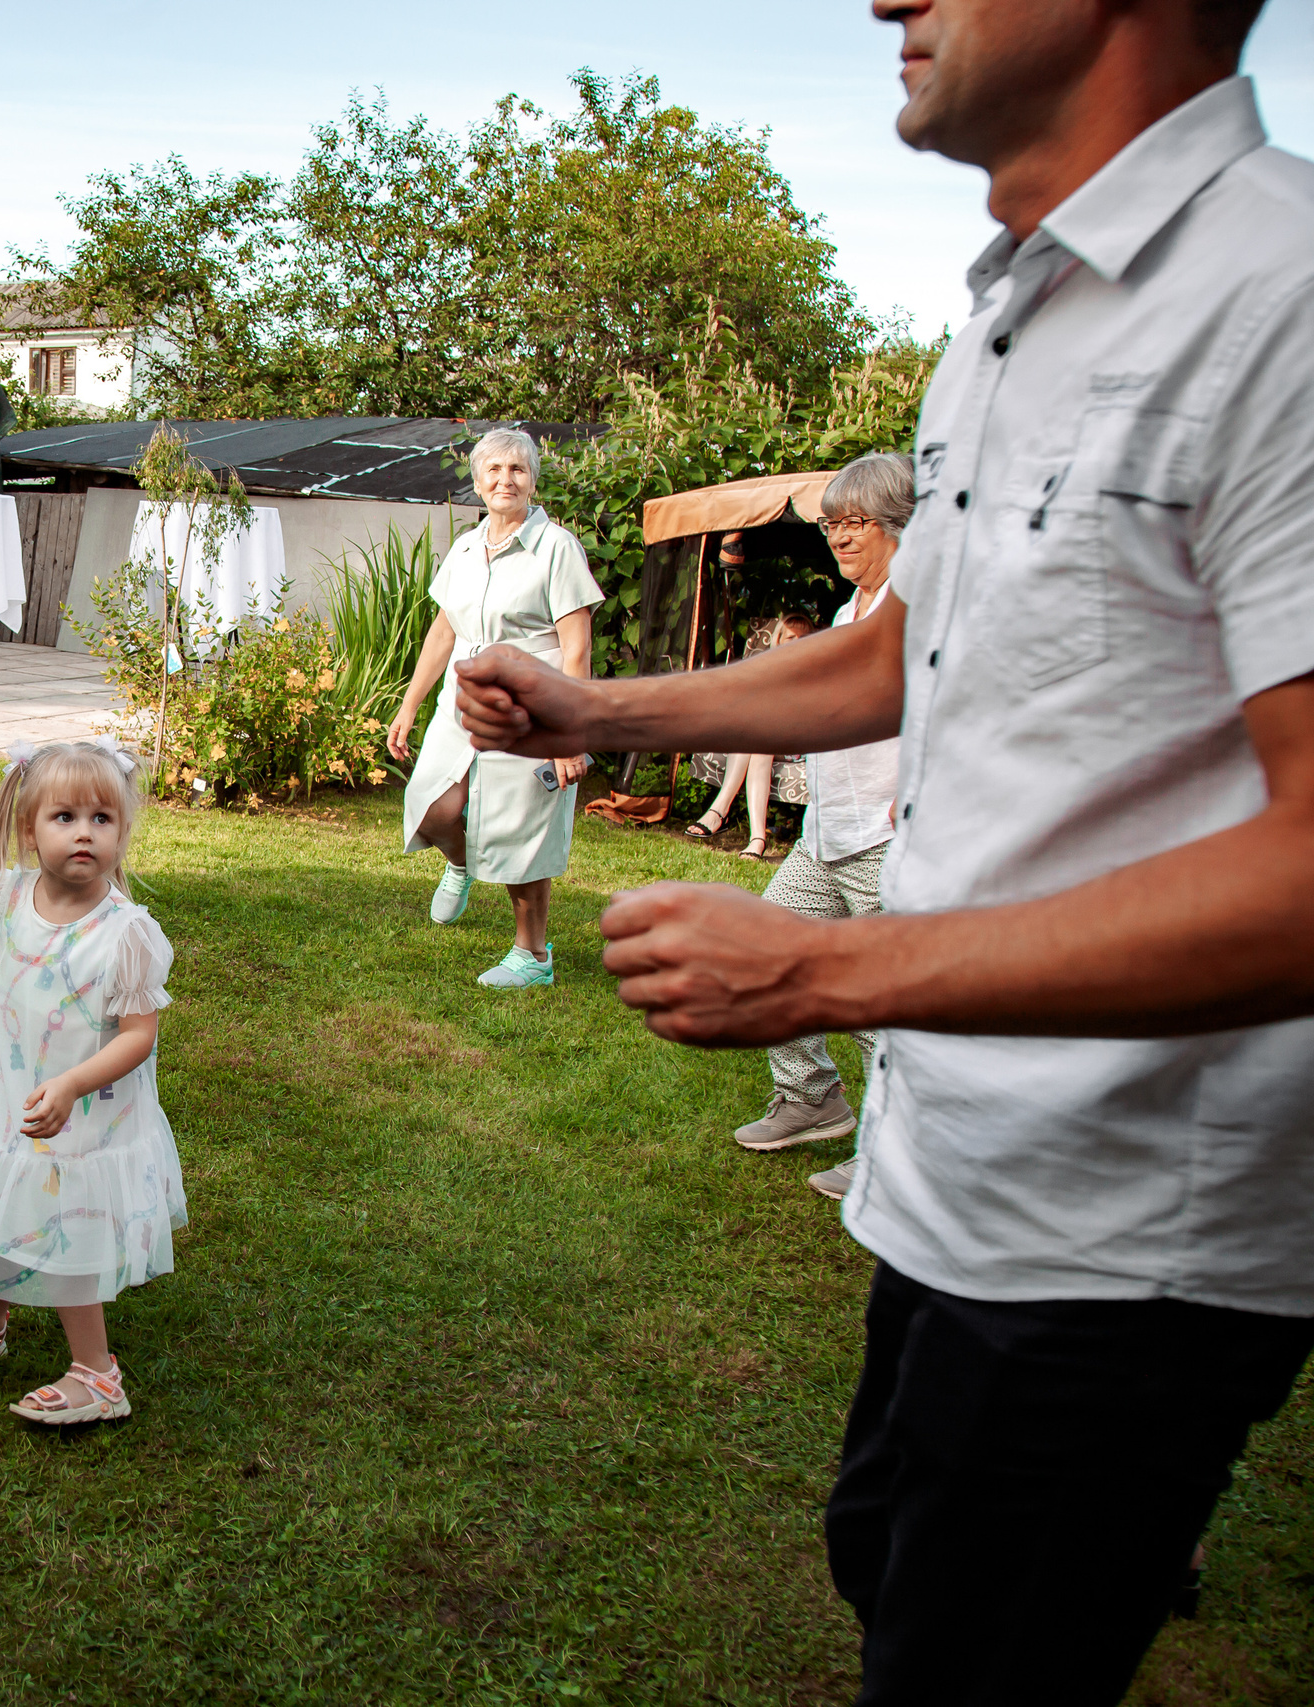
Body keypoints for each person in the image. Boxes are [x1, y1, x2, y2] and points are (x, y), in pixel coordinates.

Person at [450, 0, 1313, 1692]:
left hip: (1130, 1230)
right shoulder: (1002, 322)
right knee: (884, 1563)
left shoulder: (1278, 298)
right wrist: (603, 712)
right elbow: (901, 650)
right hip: (956, 1171)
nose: (887, 0)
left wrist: (835, 966)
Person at [0, 740, 184, 1425]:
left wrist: (71, 1085)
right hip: (6, 1092)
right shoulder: (9, 898)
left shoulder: (126, 935)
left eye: (102, 818)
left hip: (82, 1118)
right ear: (29, 829)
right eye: (64, 816)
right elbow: (6, 987)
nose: (85, 831)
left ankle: (98, 1371)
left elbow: (140, 1036)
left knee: (64, 1225)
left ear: (123, 831)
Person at [732, 456, 910, 1198]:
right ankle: (811, 1096)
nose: (838, 536)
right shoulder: (849, 611)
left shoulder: (920, 605)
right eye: (831, 523)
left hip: (888, 834)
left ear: (897, 521)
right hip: (827, 827)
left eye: (854, 521)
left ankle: (899, 1154)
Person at [385, 427, 603, 989]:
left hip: (531, 707)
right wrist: (409, 704)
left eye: (518, 470)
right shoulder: (464, 547)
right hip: (464, 701)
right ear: (479, 481)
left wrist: (568, 735)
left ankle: (532, 957)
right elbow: (443, 630)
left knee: (522, 829)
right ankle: (460, 862)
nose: (506, 480)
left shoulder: (556, 547)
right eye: (495, 471)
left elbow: (576, 647)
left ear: (532, 480)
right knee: (432, 804)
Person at [686, 610, 820, 860]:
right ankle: (757, 839)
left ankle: (719, 810)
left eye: (804, 638)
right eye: (791, 638)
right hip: (764, 737)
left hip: (796, 741)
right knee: (756, 744)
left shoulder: (813, 670)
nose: (798, 643)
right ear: (778, 640)